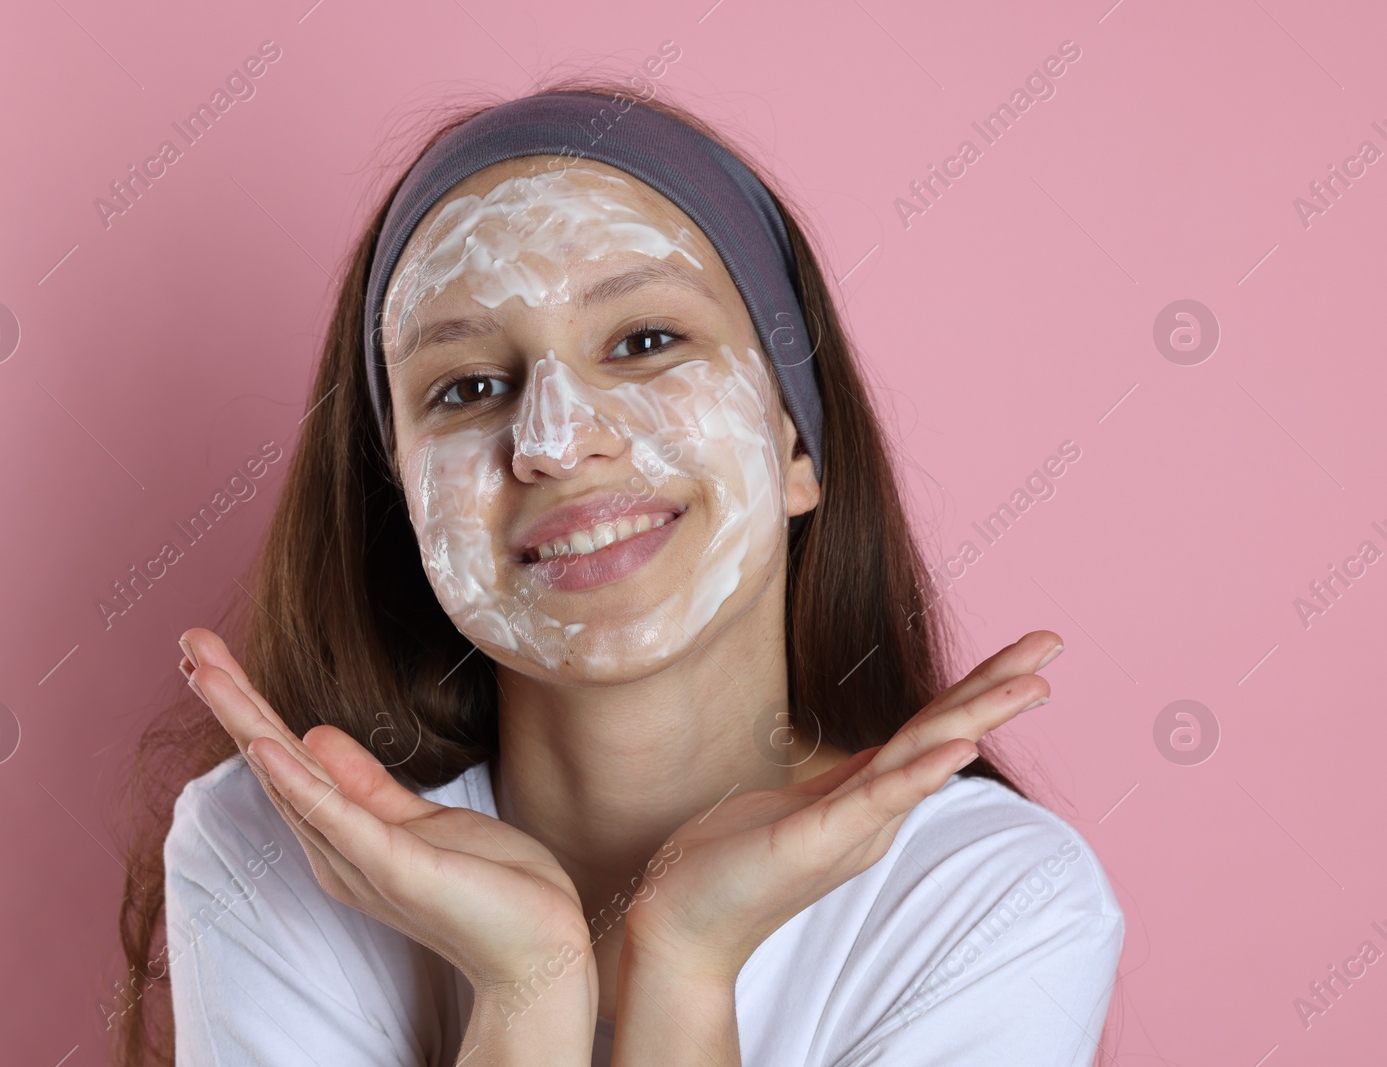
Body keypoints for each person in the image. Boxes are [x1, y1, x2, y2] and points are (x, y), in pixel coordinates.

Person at [115, 81, 1124, 1067]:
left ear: (797, 449)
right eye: (466, 387)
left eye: (645, 340)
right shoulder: (275, 844)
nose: (552, 439)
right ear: (407, 502)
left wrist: (684, 965)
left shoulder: (992, 897)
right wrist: (526, 986)